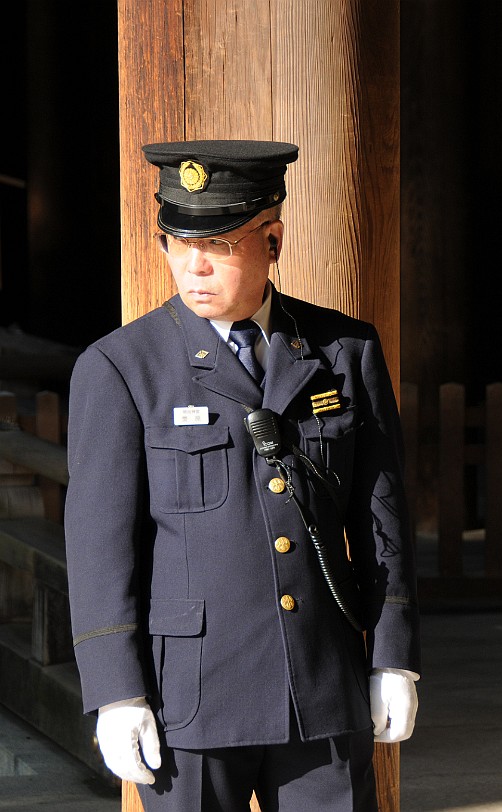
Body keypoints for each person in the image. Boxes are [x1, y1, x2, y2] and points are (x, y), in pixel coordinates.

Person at [65, 140, 420, 812]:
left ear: (273, 238)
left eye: (220, 244)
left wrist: (394, 653)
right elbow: (98, 546)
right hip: (191, 701)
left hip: (321, 684)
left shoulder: (343, 351)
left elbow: (382, 516)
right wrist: (116, 691)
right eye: (176, 241)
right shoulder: (123, 367)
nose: (192, 265)